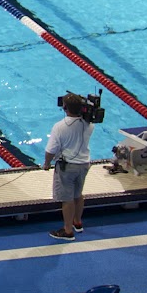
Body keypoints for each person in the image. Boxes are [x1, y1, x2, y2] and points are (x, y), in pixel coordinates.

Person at [45, 92, 95, 240]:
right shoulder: (89, 124)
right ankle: (77, 222)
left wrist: (47, 163)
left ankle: (67, 231)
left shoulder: (60, 126)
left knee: (67, 199)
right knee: (78, 195)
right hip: (84, 164)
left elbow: (50, 150)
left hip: (68, 167)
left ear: (64, 107)